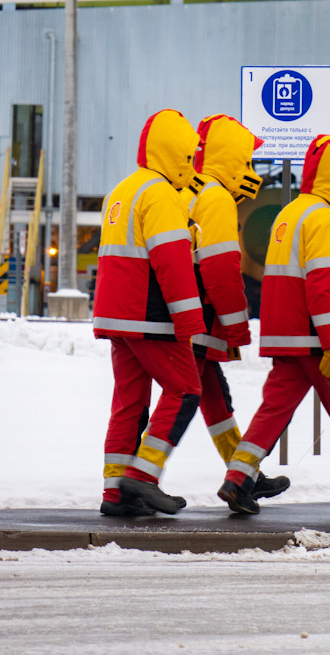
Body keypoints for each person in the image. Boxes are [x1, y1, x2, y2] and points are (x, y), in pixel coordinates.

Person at [217, 134, 330, 515]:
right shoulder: (325, 220)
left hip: (287, 335)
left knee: (274, 410)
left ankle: (237, 479)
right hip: (318, 340)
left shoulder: (291, 213)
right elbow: (323, 284)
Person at [94, 109, 206, 516]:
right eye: (190, 156)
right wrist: (190, 321)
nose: (192, 165)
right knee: (186, 391)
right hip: (151, 317)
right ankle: (143, 476)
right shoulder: (161, 195)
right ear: (177, 155)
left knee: (129, 403)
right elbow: (172, 262)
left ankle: (116, 492)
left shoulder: (122, 190)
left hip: (117, 317)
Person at [182, 114, 290, 502]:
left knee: (213, 396)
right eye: (244, 163)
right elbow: (222, 268)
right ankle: (138, 478)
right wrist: (235, 322)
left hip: (190, 314)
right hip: (202, 315)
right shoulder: (216, 198)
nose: (250, 174)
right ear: (227, 161)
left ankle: (243, 475)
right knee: (180, 399)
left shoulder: (188, 192)